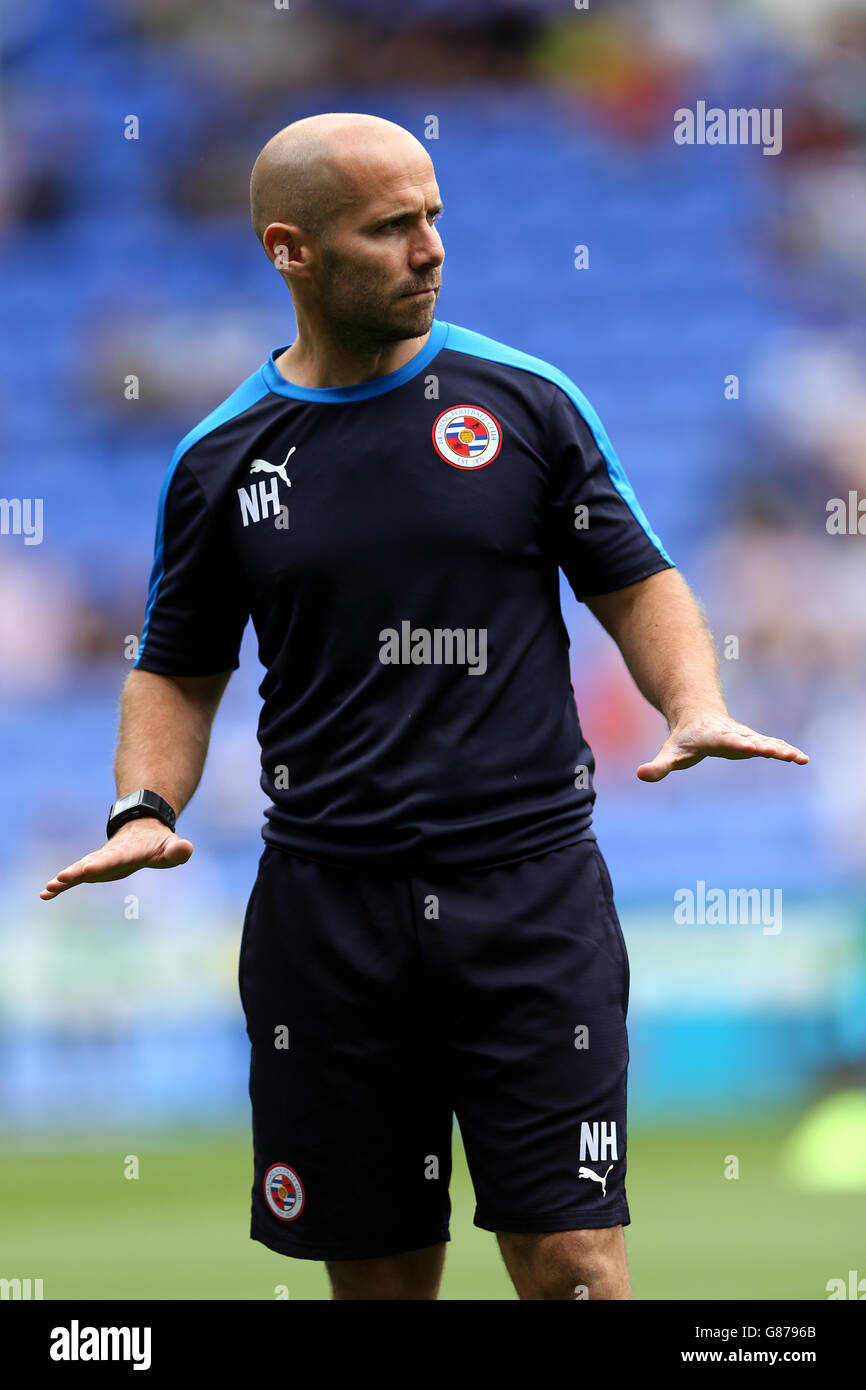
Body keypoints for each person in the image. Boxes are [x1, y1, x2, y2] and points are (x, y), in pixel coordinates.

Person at [40, 113, 808, 1300]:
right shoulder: (222, 461)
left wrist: (691, 698)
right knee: (383, 1284)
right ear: (289, 249)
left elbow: (635, 578)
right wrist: (144, 801)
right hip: (326, 915)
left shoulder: (523, 404)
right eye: (391, 226)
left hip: (527, 892)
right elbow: (177, 665)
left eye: (434, 215)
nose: (430, 247)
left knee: (574, 1268)